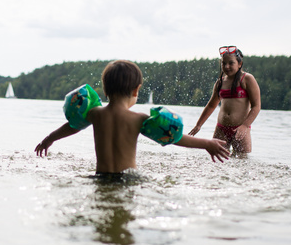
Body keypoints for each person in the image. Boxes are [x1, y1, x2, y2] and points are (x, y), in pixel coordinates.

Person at [34, 60, 230, 174]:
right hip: (128, 181)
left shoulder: (95, 114)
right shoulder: (138, 119)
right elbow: (173, 137)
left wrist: (48, 139)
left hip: (100, 178)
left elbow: (72, 126)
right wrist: (206, 143)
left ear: (105, 90)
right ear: (136, 90)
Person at [188, 46, 260, 155]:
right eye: (223, 63)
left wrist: (245, 126)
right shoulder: (220, 82)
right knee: (217, 162)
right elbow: (211, 106)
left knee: (242, 162)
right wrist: (199, 125)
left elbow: (256, 106)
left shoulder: (247, 79)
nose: (226, 66)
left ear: (239, 64)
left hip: (240, 129)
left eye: (231, 63)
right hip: (221, 129)